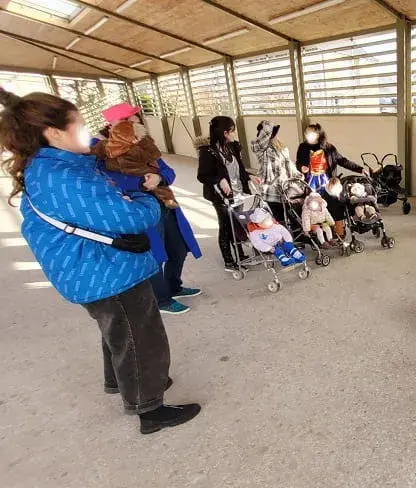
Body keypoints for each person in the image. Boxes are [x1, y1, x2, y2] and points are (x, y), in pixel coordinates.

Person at [0, 89, 200, 434]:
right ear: (54, 132)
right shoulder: (62, 177)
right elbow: (130, 217)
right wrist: (147, 196)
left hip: (93, 271)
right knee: (141, 336)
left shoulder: (54, 166)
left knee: (117, 331)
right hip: (106, 272)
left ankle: (122, 383)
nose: (87, 130)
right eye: (78, 122)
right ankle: (149, 409)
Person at [95, 103, 202, 315]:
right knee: (154, 254)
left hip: (165, 203)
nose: (135, 121)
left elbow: (169, 171)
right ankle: (160, 298)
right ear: (111, 125)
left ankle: (174, 286)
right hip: (140, 210)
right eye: (128, 118)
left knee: (178, 247)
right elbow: (108, 181)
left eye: (135, 116)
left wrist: (159, 178)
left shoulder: (146, 144)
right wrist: (140, 184)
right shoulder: (103, 151)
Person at [196, 116, 261, 272]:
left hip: (238, 193)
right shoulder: (208, 151)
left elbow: (237, 170)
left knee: (238, 224)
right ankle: (229, 261)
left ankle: (240, 255)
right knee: (226, 226)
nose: (234, 134)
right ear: (225, 132)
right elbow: (202, 175)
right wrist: (220, 180)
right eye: (233, 131)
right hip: (221, 196)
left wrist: (249, 176)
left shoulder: (232, 147)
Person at [295, 123, 365, 193]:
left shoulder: (329, 148)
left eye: (310, 133)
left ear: (318, 134)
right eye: (306, 133)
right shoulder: (302, 147)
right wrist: (301, 167)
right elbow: (298, 162)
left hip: (327, 181)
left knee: (328, 199)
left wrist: (360, 169)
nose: (307, 135)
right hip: (310, 180)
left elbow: (342, 160)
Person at [251, 120, 296, 222]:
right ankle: (279, 237)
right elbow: (259, 143)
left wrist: (297, 175)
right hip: (271, 191)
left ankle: (290, 236)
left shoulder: (283, 148)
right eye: (273, 133)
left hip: (286, 188)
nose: (275, 135)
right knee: (277, 219)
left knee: (292, 217)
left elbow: (289, 164)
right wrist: (267, 126)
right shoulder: (262, 150)